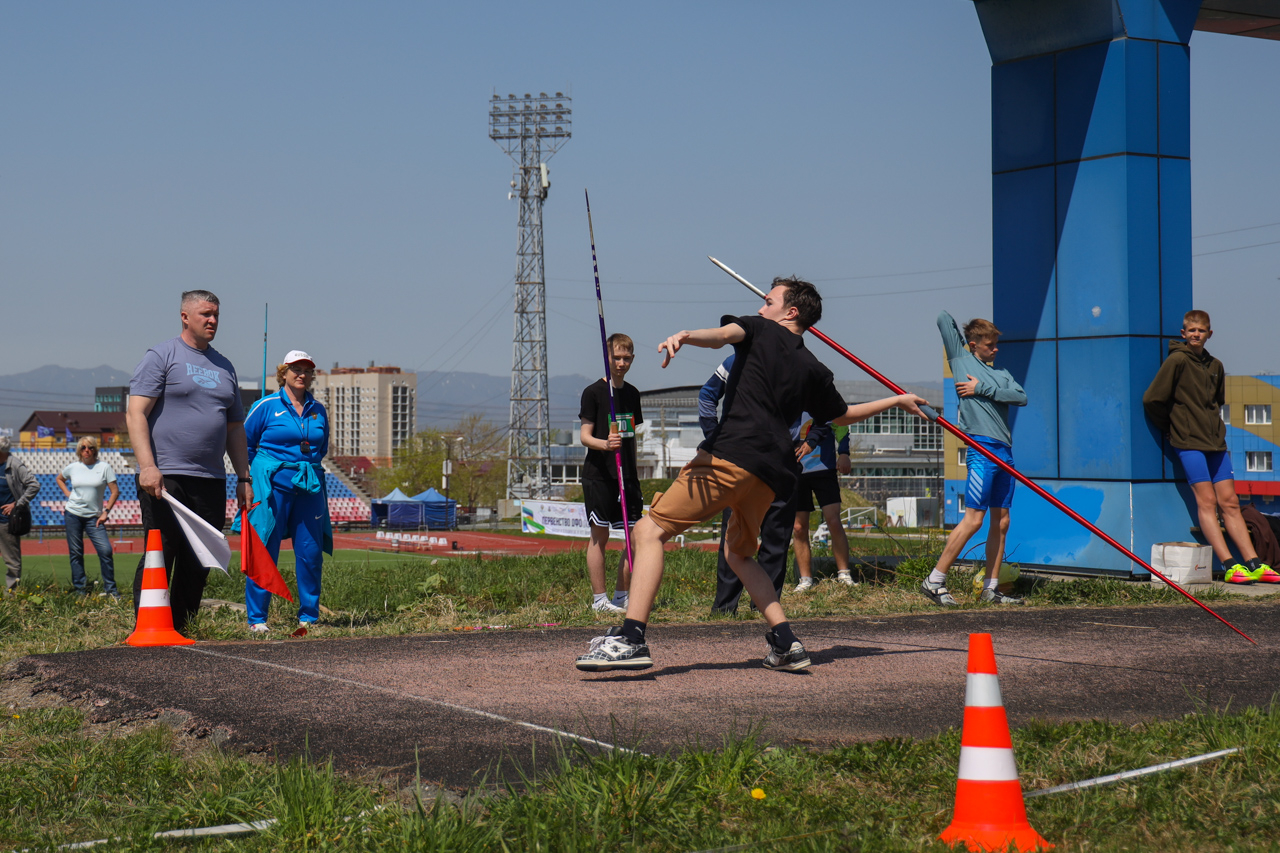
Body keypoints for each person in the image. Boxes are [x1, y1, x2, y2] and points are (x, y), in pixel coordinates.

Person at [575, 277, 926, 673]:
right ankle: (786, 641)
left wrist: (686, 336)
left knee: (648, 531)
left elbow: (723, 335)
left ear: (790, 311)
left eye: (768, 300)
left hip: (730, 456)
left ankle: (631, 638)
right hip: (773, 475)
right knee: (740, 554)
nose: (761, 307)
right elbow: (840, 416)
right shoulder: (815, 367)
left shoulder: (758, 328)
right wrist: (897, 400)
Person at [127, 290, 252, 634]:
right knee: (161, 551)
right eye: (205, 314)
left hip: (210, 478)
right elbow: (136, 412)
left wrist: (244, 477)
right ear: (185, 316)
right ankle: (148, 626)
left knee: (200, 558)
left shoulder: (225, 366)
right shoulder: (162, 356)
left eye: (216, 315)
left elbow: (234, 427)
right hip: (166, 476)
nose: (212, 321)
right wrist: (148, 466)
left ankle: (182, 627)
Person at [1142, 310, 1276, 584]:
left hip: (1215, 443)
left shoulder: (1215, 365)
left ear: (1209, 334)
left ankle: (1254, 563)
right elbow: (1152, 400)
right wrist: (1171, 429)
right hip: (1189, 443)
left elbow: (1217, 402)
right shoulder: (1177, 361)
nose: (1195, 334)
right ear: (1183, 333)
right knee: (1208, 502)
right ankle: (1229, 565)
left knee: (1230, 502)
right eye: (1190, 330)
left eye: (1200, 331)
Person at [920, 312, 1027, 607]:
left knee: (1002, 521)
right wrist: (968, 329)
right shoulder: (961, 361)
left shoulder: (1002, 374)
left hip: (1004, 449)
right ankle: (934, 580)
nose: (995, 349)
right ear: (973, 344)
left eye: (995, 344)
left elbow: (1021, 397)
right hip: (980, 448)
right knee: (974, 519)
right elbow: (942, 318)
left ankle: (991, 589)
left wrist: (981, 388)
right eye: (990, 344)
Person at [699, 354, 813, 613]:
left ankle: (765, 608)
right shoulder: (735, 360)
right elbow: (707, 395)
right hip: (741, 458)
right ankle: (725, 607)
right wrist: (713, 435)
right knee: (734, 534)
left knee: (777, 538)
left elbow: (827, 408)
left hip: (784, 458)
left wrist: (813, 438)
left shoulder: (800, 364)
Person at [241, 350, 334, 633]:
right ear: (284, 372)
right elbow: (246, 443)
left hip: (309, 486)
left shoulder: (318, 410)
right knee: (264, 548)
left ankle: (309, 616)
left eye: (306, 369)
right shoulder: (265, 405)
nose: (301, 374)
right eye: (295, 369)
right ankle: (257, 620)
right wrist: (255, 474)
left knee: (310, 552)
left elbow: (322, 448)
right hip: (272, 487)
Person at [578, 333, 642, 613]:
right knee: (599, 536)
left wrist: (632, 470)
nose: (621, 362)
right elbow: (584, 436)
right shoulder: (593, 392)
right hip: (599, 474)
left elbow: (632, 436)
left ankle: (621, 596)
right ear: (607, 358)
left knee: (633, 538)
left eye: (626, 358)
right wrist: (604, 444)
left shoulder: (632, 393)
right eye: (616, 357)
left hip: (627, 477)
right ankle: (599, 600)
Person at [791, 416, 855, 591]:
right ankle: (805, 580)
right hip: (795, 470)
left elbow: (841, 427)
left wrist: (843, 453)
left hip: (824, 469)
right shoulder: (788, 399)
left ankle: (844, 574)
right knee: (798, 527)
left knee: (833, 521)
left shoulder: (822, 400)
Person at [56, 437, 121, 598]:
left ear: (95, 450)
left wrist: (106, 511)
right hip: (73, 514)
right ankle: (80, 590)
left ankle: (111, 590)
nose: (87, 450)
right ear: (79, 450)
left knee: (105, 550)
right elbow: (60, 478)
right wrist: (67, 493)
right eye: (83, 447)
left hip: (94, 517)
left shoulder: (104, 467)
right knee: (76, 553)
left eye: (90, 447)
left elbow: (115, 491)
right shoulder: (73, 467)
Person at [0, 436, 40, 593]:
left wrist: (17, 504)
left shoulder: (14, 465)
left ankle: (12, 593)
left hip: (6, 520)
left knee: (12, 560)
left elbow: (34, 485)